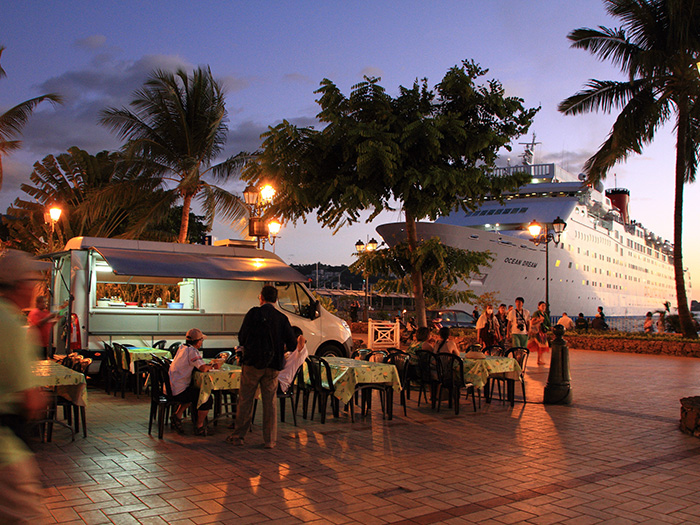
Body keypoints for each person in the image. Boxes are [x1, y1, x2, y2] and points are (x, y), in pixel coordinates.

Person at [0, 250, 50, 522]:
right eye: (32, 282)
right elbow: (30, 400)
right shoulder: (12, 324)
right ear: (20, 285)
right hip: (6, 450)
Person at [227, 285, 297, 449]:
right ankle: (270, 440)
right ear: (276, 299)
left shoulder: (253, 313)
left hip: (252, 363)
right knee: (270, 402)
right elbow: (292, 343)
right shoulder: (282, 318)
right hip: (272, 366)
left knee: (245, 399)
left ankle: (239, 436)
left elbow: (241, 337)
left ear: (261, 298)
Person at [168, 328, 219, 436]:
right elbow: (203, 368)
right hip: (179, 390)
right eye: (201, 340)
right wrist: (213, 366)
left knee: (194, 391)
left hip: (171, 387)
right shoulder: (192, 351)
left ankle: (177, 415)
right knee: (206, 398)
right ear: (198, 341)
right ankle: (199, 426)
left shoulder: (182, 348)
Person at [277, 326, 308, 394]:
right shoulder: (289, 352)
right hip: (276, 379)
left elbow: (301, 340)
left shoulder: (300, 352)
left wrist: (298, 337)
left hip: (282, 384)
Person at [528, 301, 551, 365]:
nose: (543, 307)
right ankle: (539, 359)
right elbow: (532, 322)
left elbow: (548, 323)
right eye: (542, 306)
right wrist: (540, 320)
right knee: (540, 345)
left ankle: (539, 359)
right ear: (538, 306)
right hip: (538, 332)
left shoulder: (545, 314)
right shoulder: (537, 313)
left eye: (544, 306)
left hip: (543, 332)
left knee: (541, 346)